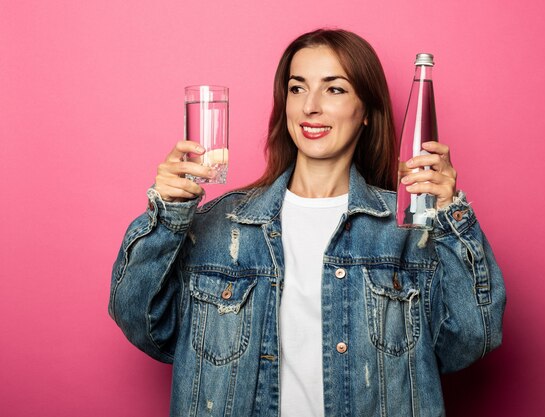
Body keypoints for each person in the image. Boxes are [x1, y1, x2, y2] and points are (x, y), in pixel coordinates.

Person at [109, 28, 505, 417]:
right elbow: (145, 326)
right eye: (298, 88)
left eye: (334, 89)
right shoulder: (219, 227)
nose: (310, 106)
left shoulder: (409, 229)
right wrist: (168, 214)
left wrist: (451, 215)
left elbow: (470, 339)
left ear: (366, 111)